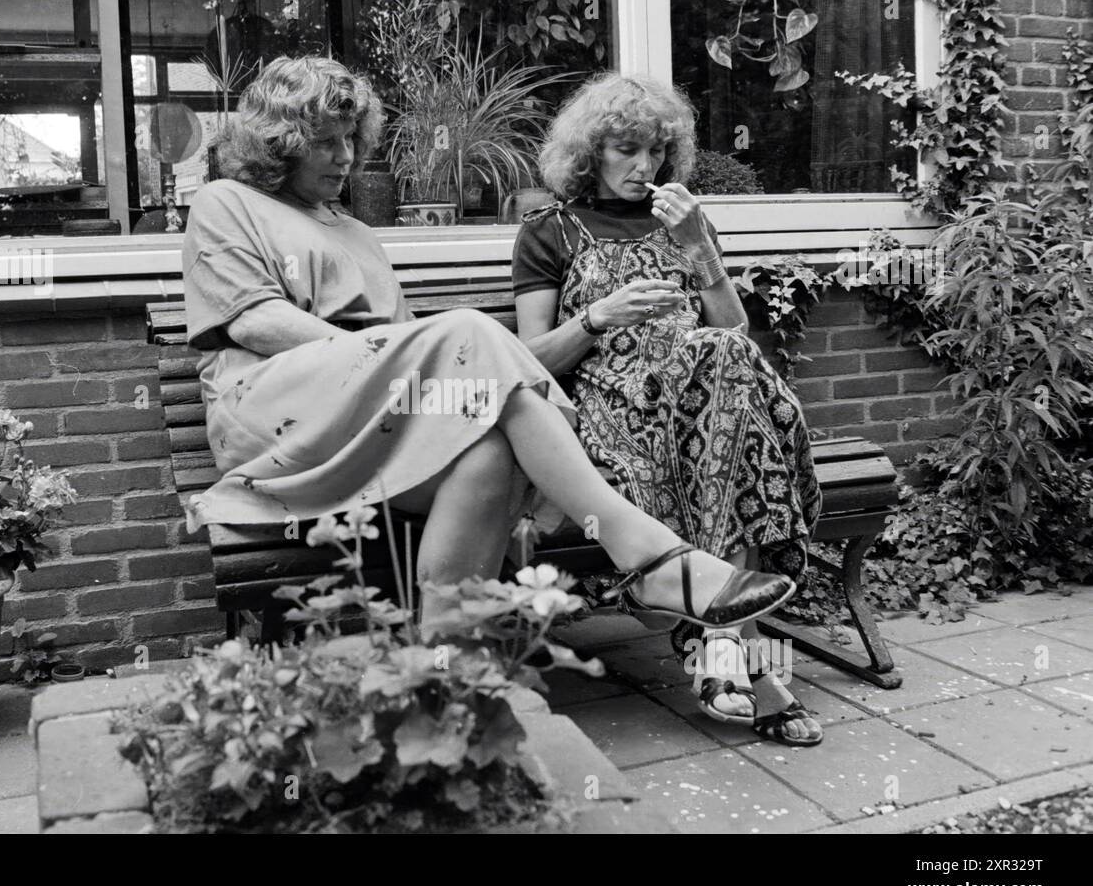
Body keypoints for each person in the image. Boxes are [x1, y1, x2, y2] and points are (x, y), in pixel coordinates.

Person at [180, 55, 798, 641]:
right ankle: (648, 554)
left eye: (350, 139)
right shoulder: (227, 202)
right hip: (273, 408)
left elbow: (414, 358)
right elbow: (257, 322)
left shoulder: (356, 232)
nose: (346, 157)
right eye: (325, 141)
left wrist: (401, 363)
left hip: (368, 416)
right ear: (279, 142)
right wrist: (387, 359)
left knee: (490, 453)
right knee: (472, 331)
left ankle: (453, 665)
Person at [512, 72, 823, 746]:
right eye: (627, 149)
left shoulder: (685, 220)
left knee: (720, 363)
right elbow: (528, 363)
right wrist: (598, 315)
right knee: (730, 403)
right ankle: (734, 658)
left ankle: (718, 644)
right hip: (610, 406)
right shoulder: (550, 232)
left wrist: (698, 250)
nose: (645, 166)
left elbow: (734, 332)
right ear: (591, 152)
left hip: (707, 405)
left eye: (656, 150)